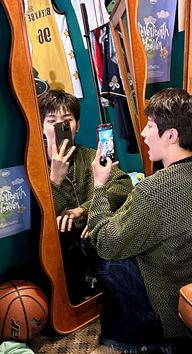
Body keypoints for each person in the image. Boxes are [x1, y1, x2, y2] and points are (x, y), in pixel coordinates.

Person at [84, 88, 192, 353]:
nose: (143, 133)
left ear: (171, 135)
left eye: (150, 126)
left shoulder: (153, 190)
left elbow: (107, 242)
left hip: (174, 306)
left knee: (98, 248)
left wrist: (99, 186)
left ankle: (132, 339)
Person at [38, 89, 133, 303]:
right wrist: (54, 179)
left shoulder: (89, 156)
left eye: (67, 120)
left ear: (77, 125)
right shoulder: (33, 165)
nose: (59, 127)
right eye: (51, 121)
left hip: (94, 242)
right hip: (60, 251)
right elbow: (39, 218)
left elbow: (123, 183)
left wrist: (87, 210)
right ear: (41, 126)